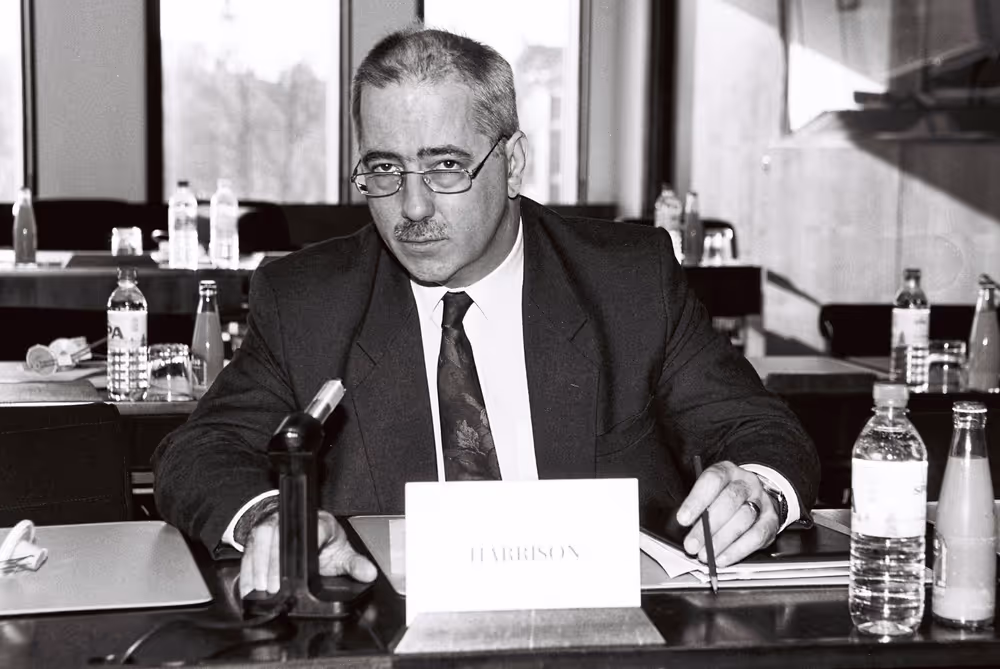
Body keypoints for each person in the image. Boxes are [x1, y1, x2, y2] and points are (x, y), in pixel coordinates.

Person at [153, 26, 819, 599]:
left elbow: (760, 429)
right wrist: (276, 516)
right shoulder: (308, 300)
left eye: (445, 166)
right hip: (390, 643)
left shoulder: (629, 278)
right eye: (384, 169)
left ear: (514, 161)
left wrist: (756, 487)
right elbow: (197, 452)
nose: (412, 208)